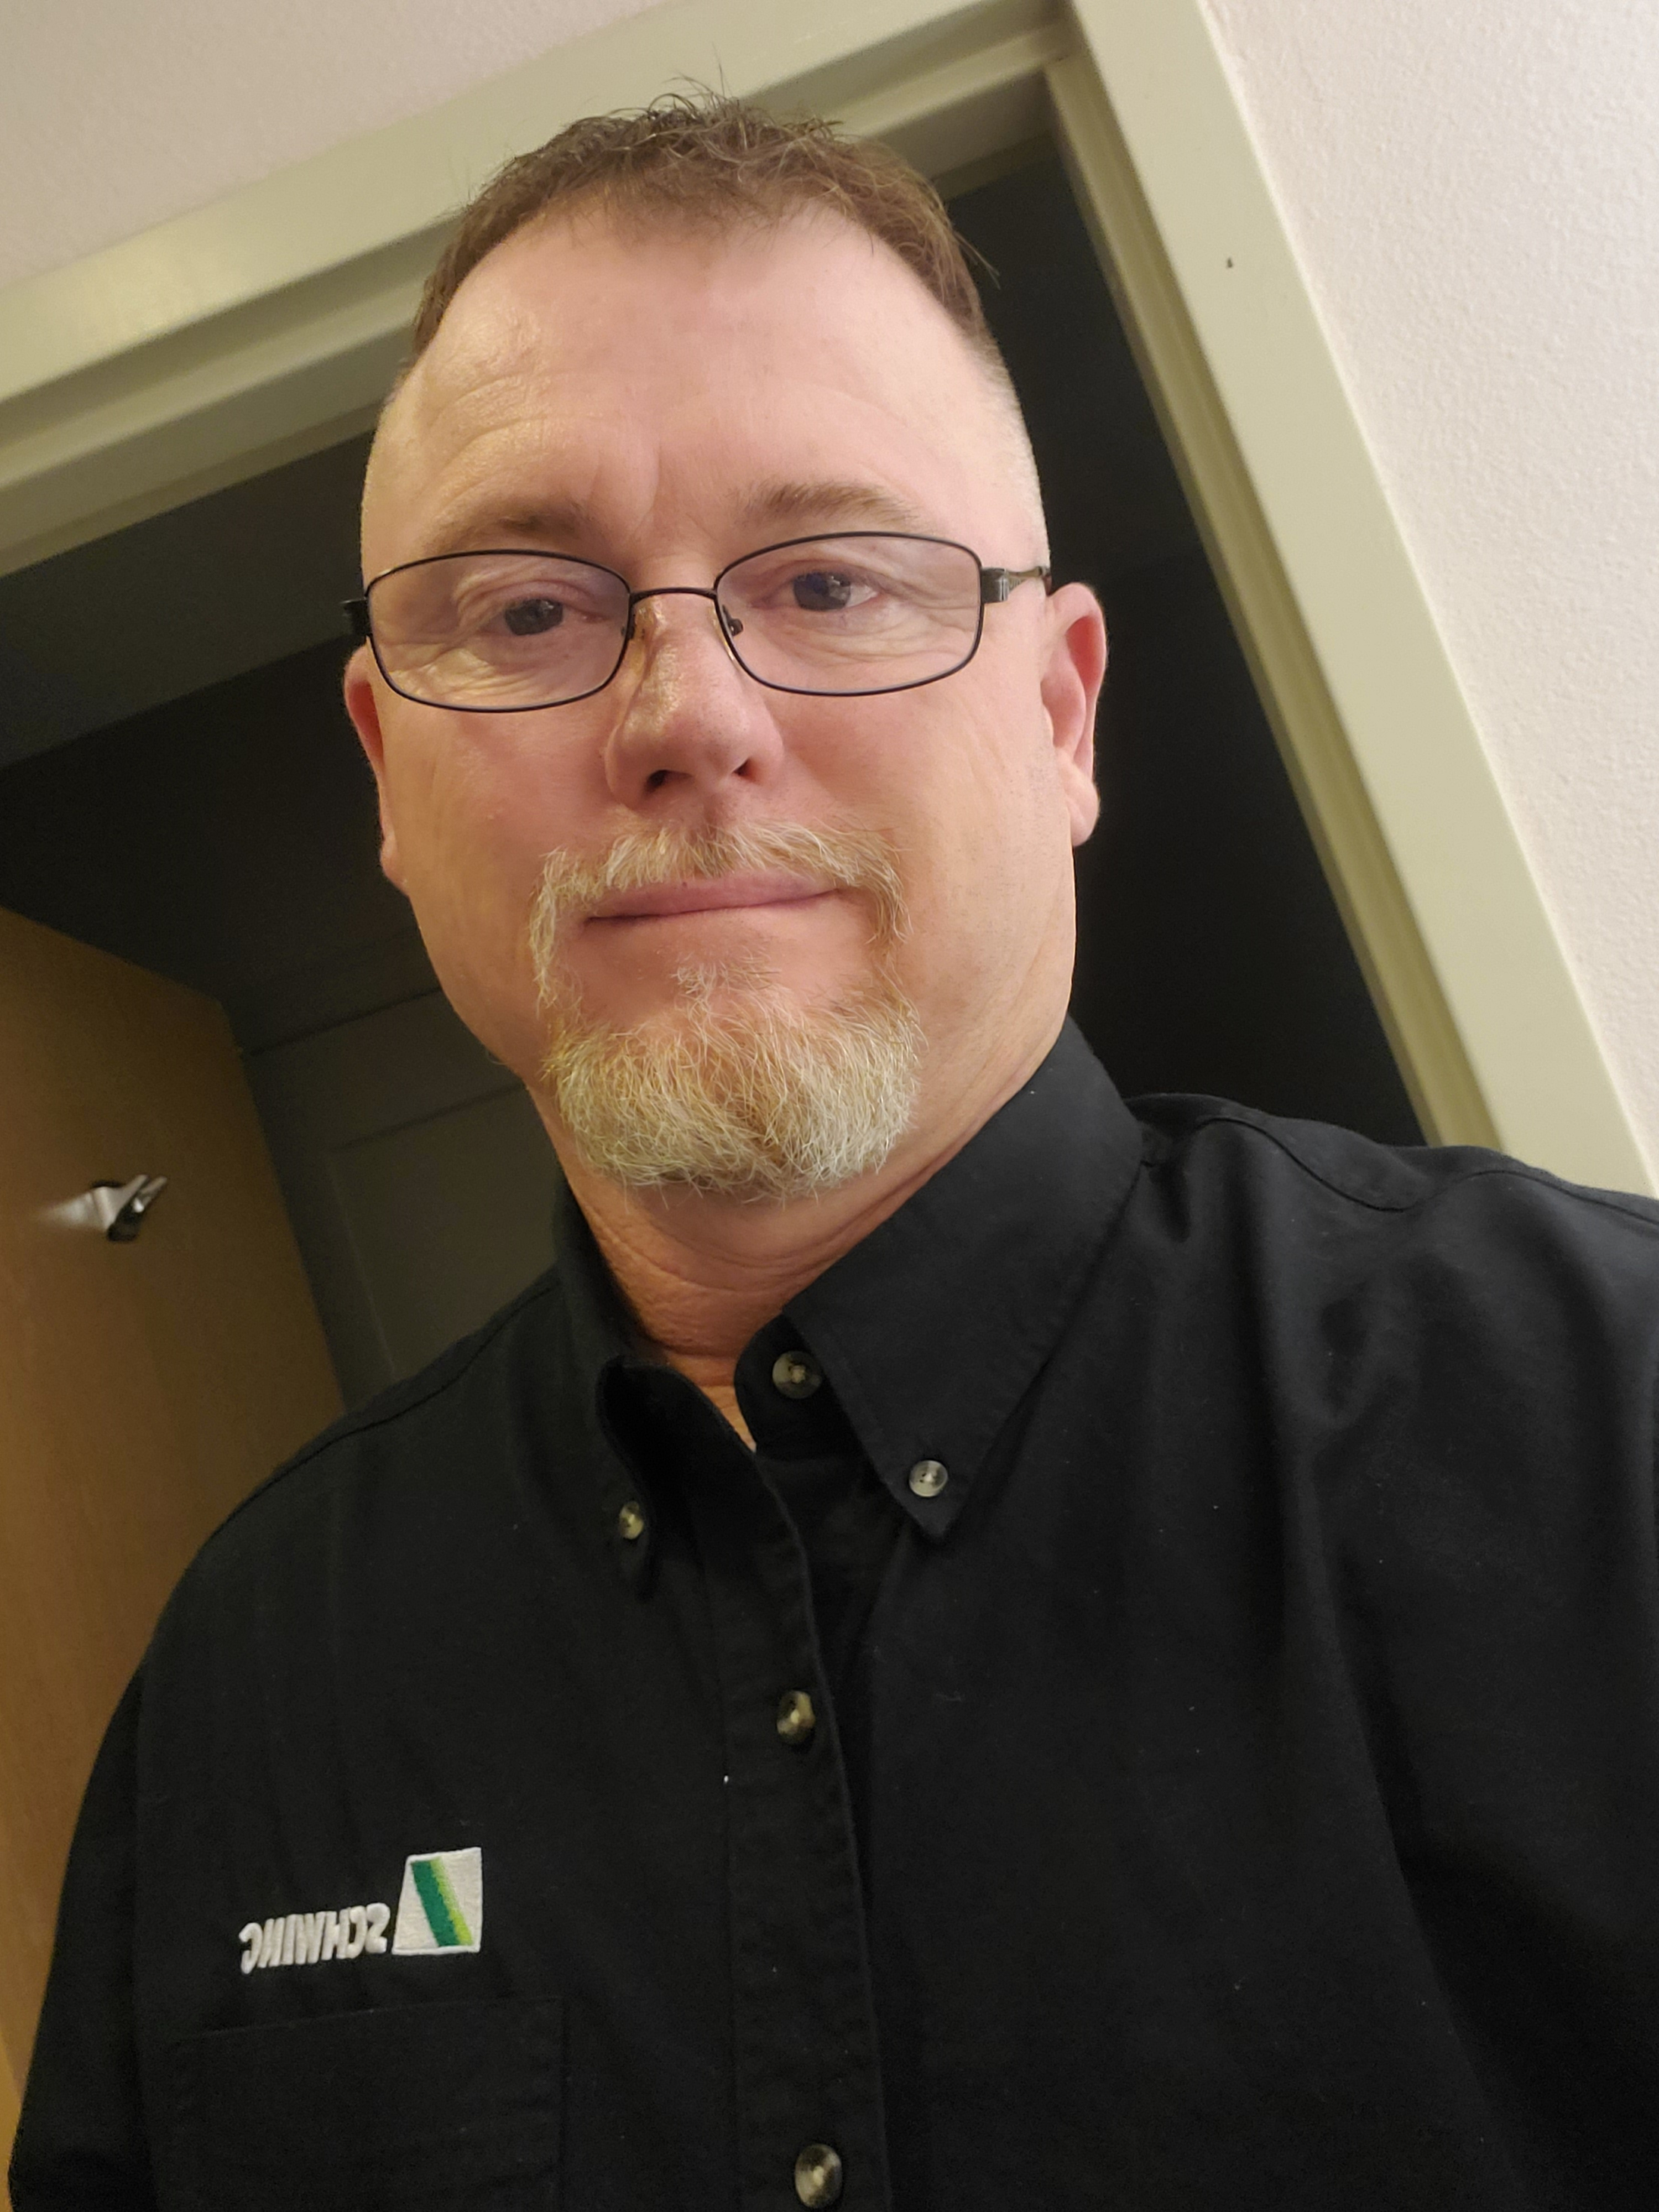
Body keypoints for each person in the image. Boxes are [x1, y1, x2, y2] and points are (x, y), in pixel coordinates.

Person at [13, 92, 1659, 2212]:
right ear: (388, 778)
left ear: (1062, 715)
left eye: (831, 580)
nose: (686, 714)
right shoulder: (245, 1679)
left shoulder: (1608, 1422)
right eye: (527, 613)